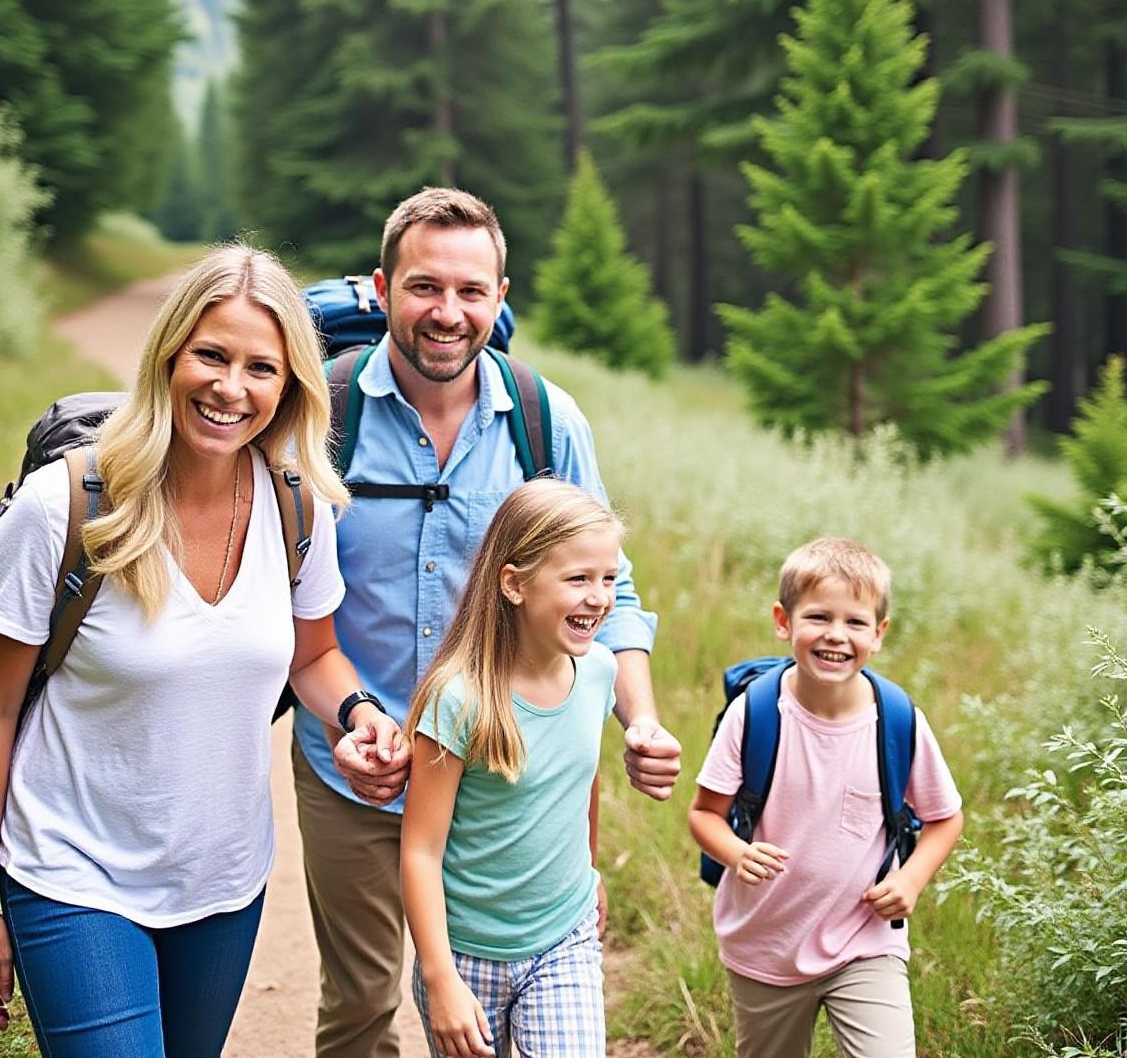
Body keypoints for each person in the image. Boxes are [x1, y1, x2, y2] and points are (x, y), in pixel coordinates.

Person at [0, 244, 407, 1058]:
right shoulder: (63, 508)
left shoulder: (298, 508)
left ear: (291, 385)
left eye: (261, 368)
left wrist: (358, 715)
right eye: (211, 355)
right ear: (168, 355)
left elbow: (313, 655)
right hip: (72, 872)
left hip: (224, 882)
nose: (232, 388)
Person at [292, 186, 681, 1058]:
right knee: (358, 1007)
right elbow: (282, 602)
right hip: (355, 763)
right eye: (426, 287)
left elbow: (606, 587)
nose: (447, 312)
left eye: (472, 292)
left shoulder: (545, 423)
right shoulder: (324, 416)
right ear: (384, 286)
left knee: (478, 1006)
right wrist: (353, 721)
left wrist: (641, 718)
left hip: (504, 770)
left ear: (501, 299)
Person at [687, 537, 964, 1058]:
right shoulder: (755, 713)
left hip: (865, 942)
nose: (836, 635)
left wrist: (911, 878)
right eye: (818, 617)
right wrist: (737, 853)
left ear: (879, 633)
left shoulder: (898, 719)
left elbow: (945, 818)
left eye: (855, 622)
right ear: (783, 621)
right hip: (763, 944)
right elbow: (704, 814)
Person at [401, 480, 621, 1058]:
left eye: (609, 579)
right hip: (467, 954)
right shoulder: (459, 699)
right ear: (514, 584)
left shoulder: (598, 672)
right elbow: (421, 850)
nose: (598, 597)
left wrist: (591, 871)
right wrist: (439, 977)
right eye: (578, 579)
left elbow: (581, 781)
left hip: (563, 938)